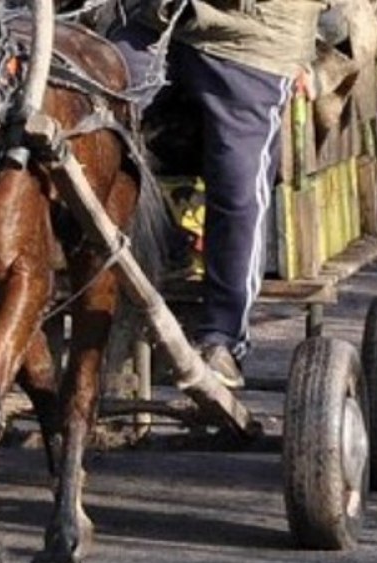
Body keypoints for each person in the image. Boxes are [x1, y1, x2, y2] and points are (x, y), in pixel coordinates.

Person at [109, 0, 329, 388]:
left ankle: (223, 338)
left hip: (251, 38)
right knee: (85, 97)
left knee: (237, 186)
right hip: (160, 22)